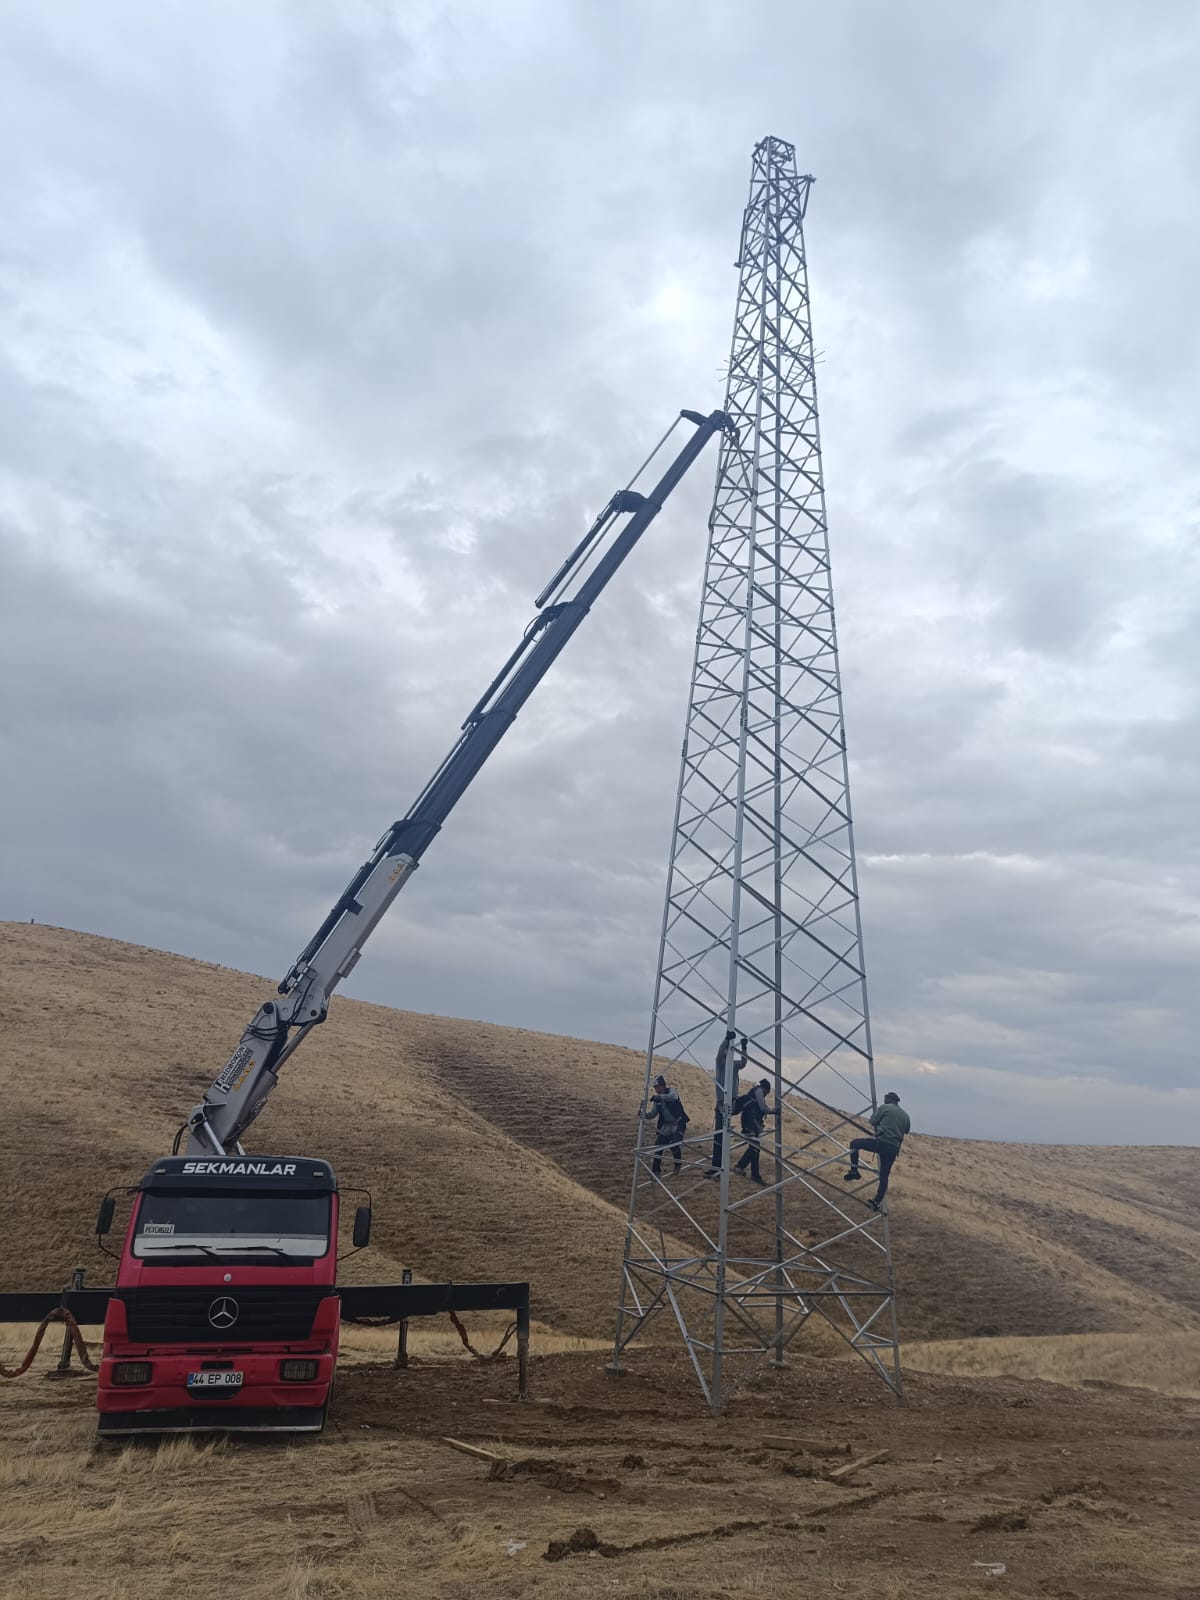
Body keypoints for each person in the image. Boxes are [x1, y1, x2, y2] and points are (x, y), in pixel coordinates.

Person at [844, 1092, 911, 1211]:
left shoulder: (885, 1108)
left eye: (885, 1099)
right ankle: (876, 1201)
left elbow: (873, 1121)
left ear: (888, 1099)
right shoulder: (905, 1115)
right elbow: (906, 1130)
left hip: (881, 1143)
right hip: (893, 1149)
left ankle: (854, 1171)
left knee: (854, 1144)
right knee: (884, 1175)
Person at [706, 1030, 747, 1177]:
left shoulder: (734, 1065)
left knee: (750, 1098)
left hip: (734, 1102)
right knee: (719, 1137)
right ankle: (717, 1168)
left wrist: (744, 1048)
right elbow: (719, 1053)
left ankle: (749, 1127)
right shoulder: (720, 1064)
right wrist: (726, 1039)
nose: (725, 1055)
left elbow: (743, 1063)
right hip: (723, 1104)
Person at [645, 1073, 688, 1176]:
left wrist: (659, 1097)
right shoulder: (657, 1100)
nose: (657, 1090)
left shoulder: (672, 1091)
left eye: (658, 1087)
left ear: (663, 1085)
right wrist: (645, 1115)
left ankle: (677, 1165)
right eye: (655, 1088)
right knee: (658, 1147)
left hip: (678, 1123)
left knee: (674, 1144)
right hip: (666, 1126)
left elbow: (673, 1097)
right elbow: (653, 1114)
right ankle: (656, 1171)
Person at [734, 1077, 771, 1184]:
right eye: (766, 1093)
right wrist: (774, 1111)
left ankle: (755, 1175)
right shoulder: (758, 1091)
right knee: (755, 1147)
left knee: (755, 1148)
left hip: (749, 1122)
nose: (765, 1095)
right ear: (765, 1089)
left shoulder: (755, 1091)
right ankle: (740, 1167)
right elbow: (763, 1107)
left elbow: (762, 1107)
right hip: (750, 1123)